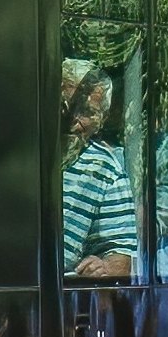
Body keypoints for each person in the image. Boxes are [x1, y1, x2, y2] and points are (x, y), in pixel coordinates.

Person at [59, 64, 140, 280]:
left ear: (101, 120)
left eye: (87, 112)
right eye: (65, 105)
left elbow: (121, 257)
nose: (72, 119)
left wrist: (103, 267)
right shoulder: (18, 151)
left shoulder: (106, 171)